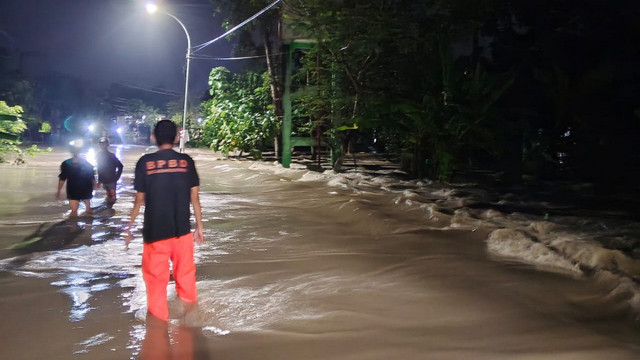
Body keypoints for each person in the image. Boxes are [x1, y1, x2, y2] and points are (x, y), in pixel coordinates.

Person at [126, 120, 205, 323]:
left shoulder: (144, 163)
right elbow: (194, 197)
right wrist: (199, 227)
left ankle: (158, 330)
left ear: (153, 137)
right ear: (177, 137)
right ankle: (190, 327)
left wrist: (128, 227)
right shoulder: (187, 161)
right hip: (182, 233)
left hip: (155, 235)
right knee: (186, 280)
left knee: (156, 284)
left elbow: (139, 200)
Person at [56, 144, 96, 217]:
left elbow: (62, 178)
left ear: (71, 152)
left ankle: (74, 227)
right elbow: (92, 177)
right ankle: (89, 226)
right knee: (88, 211)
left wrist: (58, 191)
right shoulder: (87, 164)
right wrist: (94, 185)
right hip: (86, 188)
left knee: (74, 212)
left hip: (73, 190)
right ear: (80, 152)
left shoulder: (66, 164)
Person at [96, 137, 123, 208]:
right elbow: (99, 168)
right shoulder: (99, 155)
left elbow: (120, 166)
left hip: (111, 179)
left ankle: (110, 212)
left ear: (107, 145)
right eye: (101, 144)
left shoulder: (111, 156)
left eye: (104, 144)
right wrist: (99, 181)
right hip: (105, 179)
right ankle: (109, 212)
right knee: (109, 197)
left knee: (112, 197)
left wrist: (117, 177)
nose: (102, 146)